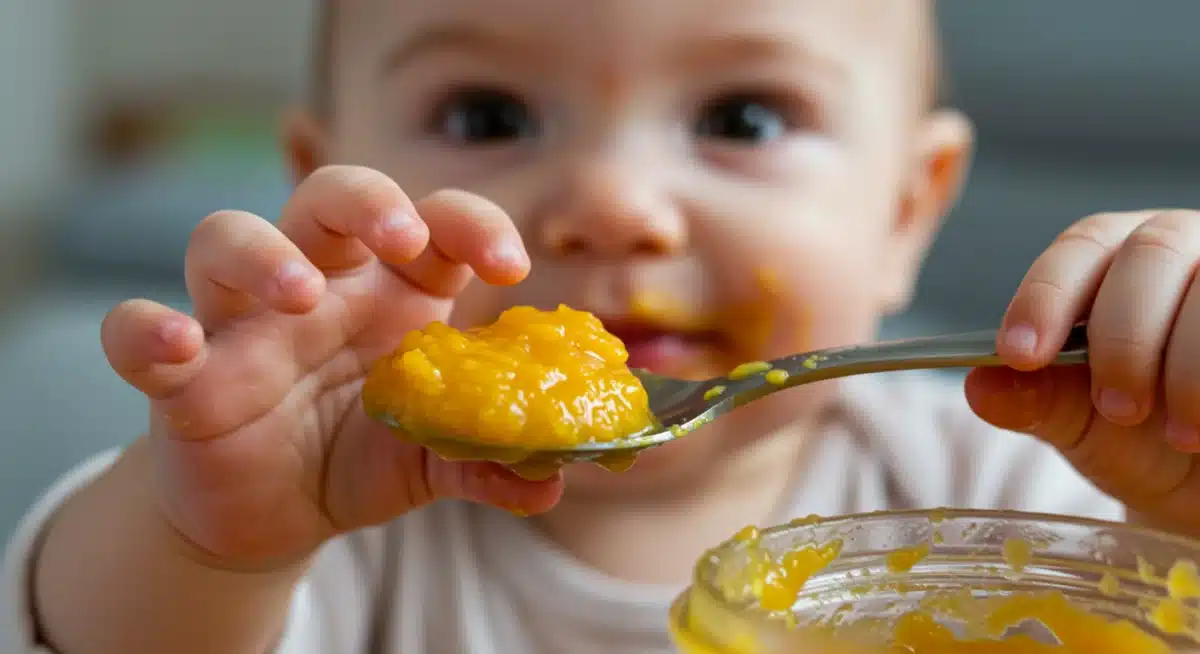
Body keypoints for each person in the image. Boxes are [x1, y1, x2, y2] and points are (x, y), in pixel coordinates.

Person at [5, 0, 1200, 652]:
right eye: (486, 113)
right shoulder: (339, 532)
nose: (613, 209)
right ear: (327, 177)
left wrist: (1176, 499)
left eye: (742, 114)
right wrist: (212, 547)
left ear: (904, 211)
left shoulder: (1005, 498)